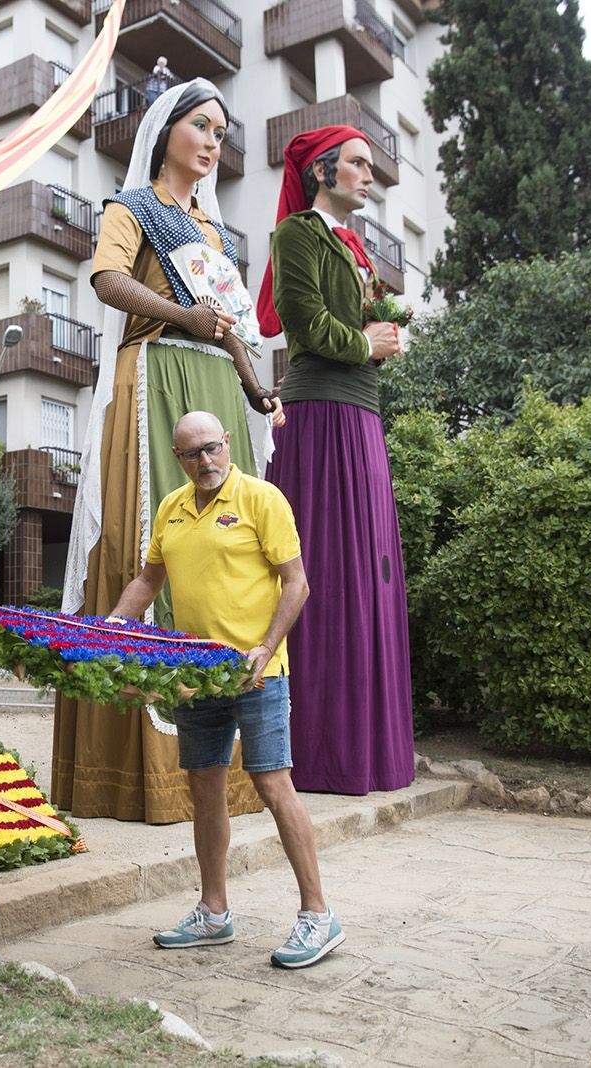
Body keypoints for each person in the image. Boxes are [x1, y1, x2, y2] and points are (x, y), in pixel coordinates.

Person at [56, 79, 281, 823]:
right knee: (148, 541)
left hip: (216, 384)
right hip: (155, 373)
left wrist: (256, 390)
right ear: (167, 132)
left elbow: (231, 326)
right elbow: (107, 280)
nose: (214, 142)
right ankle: (133, 769)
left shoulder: (216, 235)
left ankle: (235, 747)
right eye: (202, 126)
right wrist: (182, 314)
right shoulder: (132, 207)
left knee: (227, 555)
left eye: (222, 132)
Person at [108, 411, 342, 968]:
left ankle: (318, 914)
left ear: (227, 443)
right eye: (192, 453)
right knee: (205, 786)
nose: (205, 460)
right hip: (198, 674)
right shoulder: (172, 508)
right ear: (178, 458)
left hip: (257, 670)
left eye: (212, 448)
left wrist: (266, 646)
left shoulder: (262, 499)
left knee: (272, 784)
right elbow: (149, 580)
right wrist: (113, 626)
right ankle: (214, 912)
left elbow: (297, 583)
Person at [255, 126, 410, 795]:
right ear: (322, 172)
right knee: (324, 569)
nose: (368, 175)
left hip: (363, 416)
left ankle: (367, 750)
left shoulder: (355, 246)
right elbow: (304, 323)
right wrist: (367, 343)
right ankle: (318, 750)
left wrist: (384, 339)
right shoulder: (297, 235)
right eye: (357, 163)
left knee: (367, 573)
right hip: (318, 417)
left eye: (370, 165)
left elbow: (354, 330)